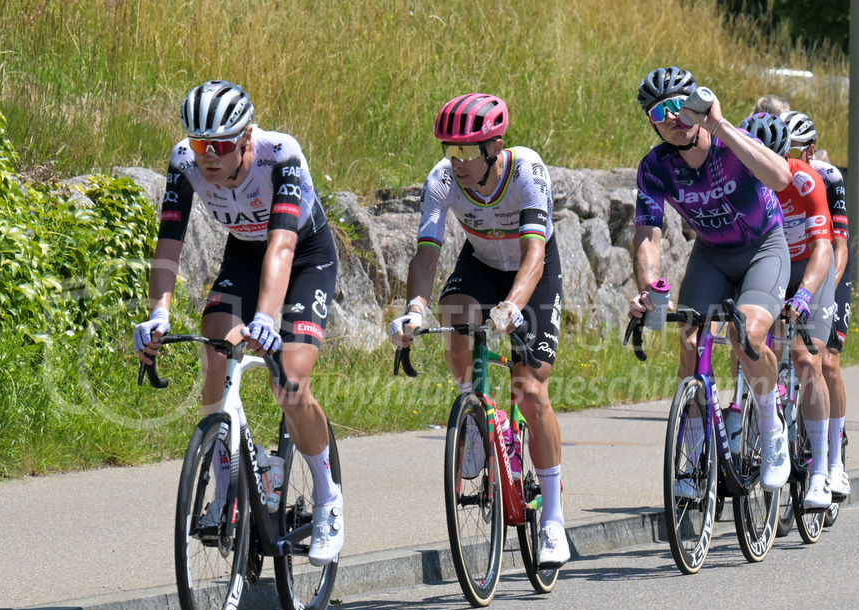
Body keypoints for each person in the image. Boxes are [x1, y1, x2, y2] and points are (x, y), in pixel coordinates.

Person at [133, 80, 343, 566]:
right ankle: (226, 480)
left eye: (221, 145)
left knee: (289, 381)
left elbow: (284, 246)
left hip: (303, 254)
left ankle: (329, 499)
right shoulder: (185, 161)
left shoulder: (280, 155)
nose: (208, 155)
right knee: (215, 345)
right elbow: (170, 243)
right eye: (201, 143)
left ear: (246, 138)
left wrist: (268, 317)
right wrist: (157, 312)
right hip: (245, 256)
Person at [388, 93, 569, 568]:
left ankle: (552, 516)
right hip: (483, 262)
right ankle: (473, 411)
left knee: (530, 388)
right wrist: (414, 308)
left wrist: (512, 305)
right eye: (450, 151)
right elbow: (427, 254)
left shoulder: (527, 170)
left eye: (468, 152)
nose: (458, 162)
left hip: (533, 268)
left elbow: (533, 255)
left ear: (495, 147)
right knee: (454, 311)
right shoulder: (442, 179)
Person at [628, 67, 793, 494]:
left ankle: (770, 420)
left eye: (680, 107)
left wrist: (718, 123)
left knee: (746, 336)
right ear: (651, 120)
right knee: (689, 341)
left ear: (697, 105)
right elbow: (648, 234)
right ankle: (695, 454)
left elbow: (781, 178)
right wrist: (648, 287)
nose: (672, 119)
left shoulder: (730, 140)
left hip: (763, 248)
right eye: (659, 112)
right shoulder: (655, 167)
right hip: (712, 254)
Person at [740, 112, 836, 509]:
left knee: (805, 358)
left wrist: (805, 295)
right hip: (772, 263)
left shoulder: (804, 180)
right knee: (756, 343)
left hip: (809, 267)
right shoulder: (742, 182)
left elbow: (823, 248)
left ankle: (820, 472)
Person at [781, 109, 851, 501]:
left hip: (829, 267)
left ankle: (833, 465)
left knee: (825, 361)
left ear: (810, 152)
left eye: (793, 152)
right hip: (789, 265)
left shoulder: (828, 177)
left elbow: (837, 248)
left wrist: (822, 298)